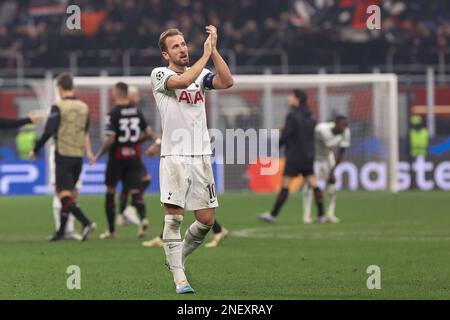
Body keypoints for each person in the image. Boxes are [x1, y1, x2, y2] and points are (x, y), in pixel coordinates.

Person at [150, 26, 233, 294]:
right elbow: (183, 82)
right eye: (176, 46)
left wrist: (214, 50)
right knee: (174, 219)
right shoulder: (160, 75)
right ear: (166, 54)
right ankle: (179, 278)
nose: (183, 48)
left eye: (184, 44)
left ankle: (178, 259)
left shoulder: (201, 74)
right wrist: (205, 55)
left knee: (207, 220)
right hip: (174, 156)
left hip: (201, 156)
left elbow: (227, 81)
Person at [29, 72, 97, 241]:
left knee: (62, 194)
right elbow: (85, 132)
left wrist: (35, 149)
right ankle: (61, 232)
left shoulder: (57, 106)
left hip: (62, 154)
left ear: (59, 88)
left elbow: (48, 131)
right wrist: (89, 152)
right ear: (72, 87)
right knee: (70, 194)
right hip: (78, 156)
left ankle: (86, 222)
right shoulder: (84, 107)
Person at [92, 82, 154, 239]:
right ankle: (143, 219)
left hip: (117, 158)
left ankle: (111, 231)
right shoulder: (136, 111)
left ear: (116, 93)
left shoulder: (113, 113)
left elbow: (111, 139)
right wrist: (135, 143)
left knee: (110, 191)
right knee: (135, 191)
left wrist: (98, 154)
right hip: (133, 157)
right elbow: (148, 133)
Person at [258, 89, 325, 223]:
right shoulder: (311, 116)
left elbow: (287, 135)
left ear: (297, 99)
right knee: (313, 184)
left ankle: (273, 215)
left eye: (291, 97)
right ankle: (321, 214)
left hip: (294, 156)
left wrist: (276, 146)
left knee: (285, 185)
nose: (288, 99)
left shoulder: (292, 115)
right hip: (308, 155)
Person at [116, 85, 154, 227]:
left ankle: (123, 214)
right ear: (130, 96)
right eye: (135, 95)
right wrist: (141, 141)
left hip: (123, 153)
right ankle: (130, 210)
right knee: (142, 181)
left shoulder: (119, 110)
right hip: (131, 153)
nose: (138, 98)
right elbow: (146, 132)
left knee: (128, 185)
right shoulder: (134, 111)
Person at [302, 116, 350, 224]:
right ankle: (306, 215)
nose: (344, 128)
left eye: (346, 126)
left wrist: (333, 172)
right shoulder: (321, 129)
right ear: (335, 123)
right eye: (342, 125)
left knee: (332, 186)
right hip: (314, 158)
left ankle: (330, 214)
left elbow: (341, 153)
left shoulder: (346, 132)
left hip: (328, 158)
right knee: (309, 186)